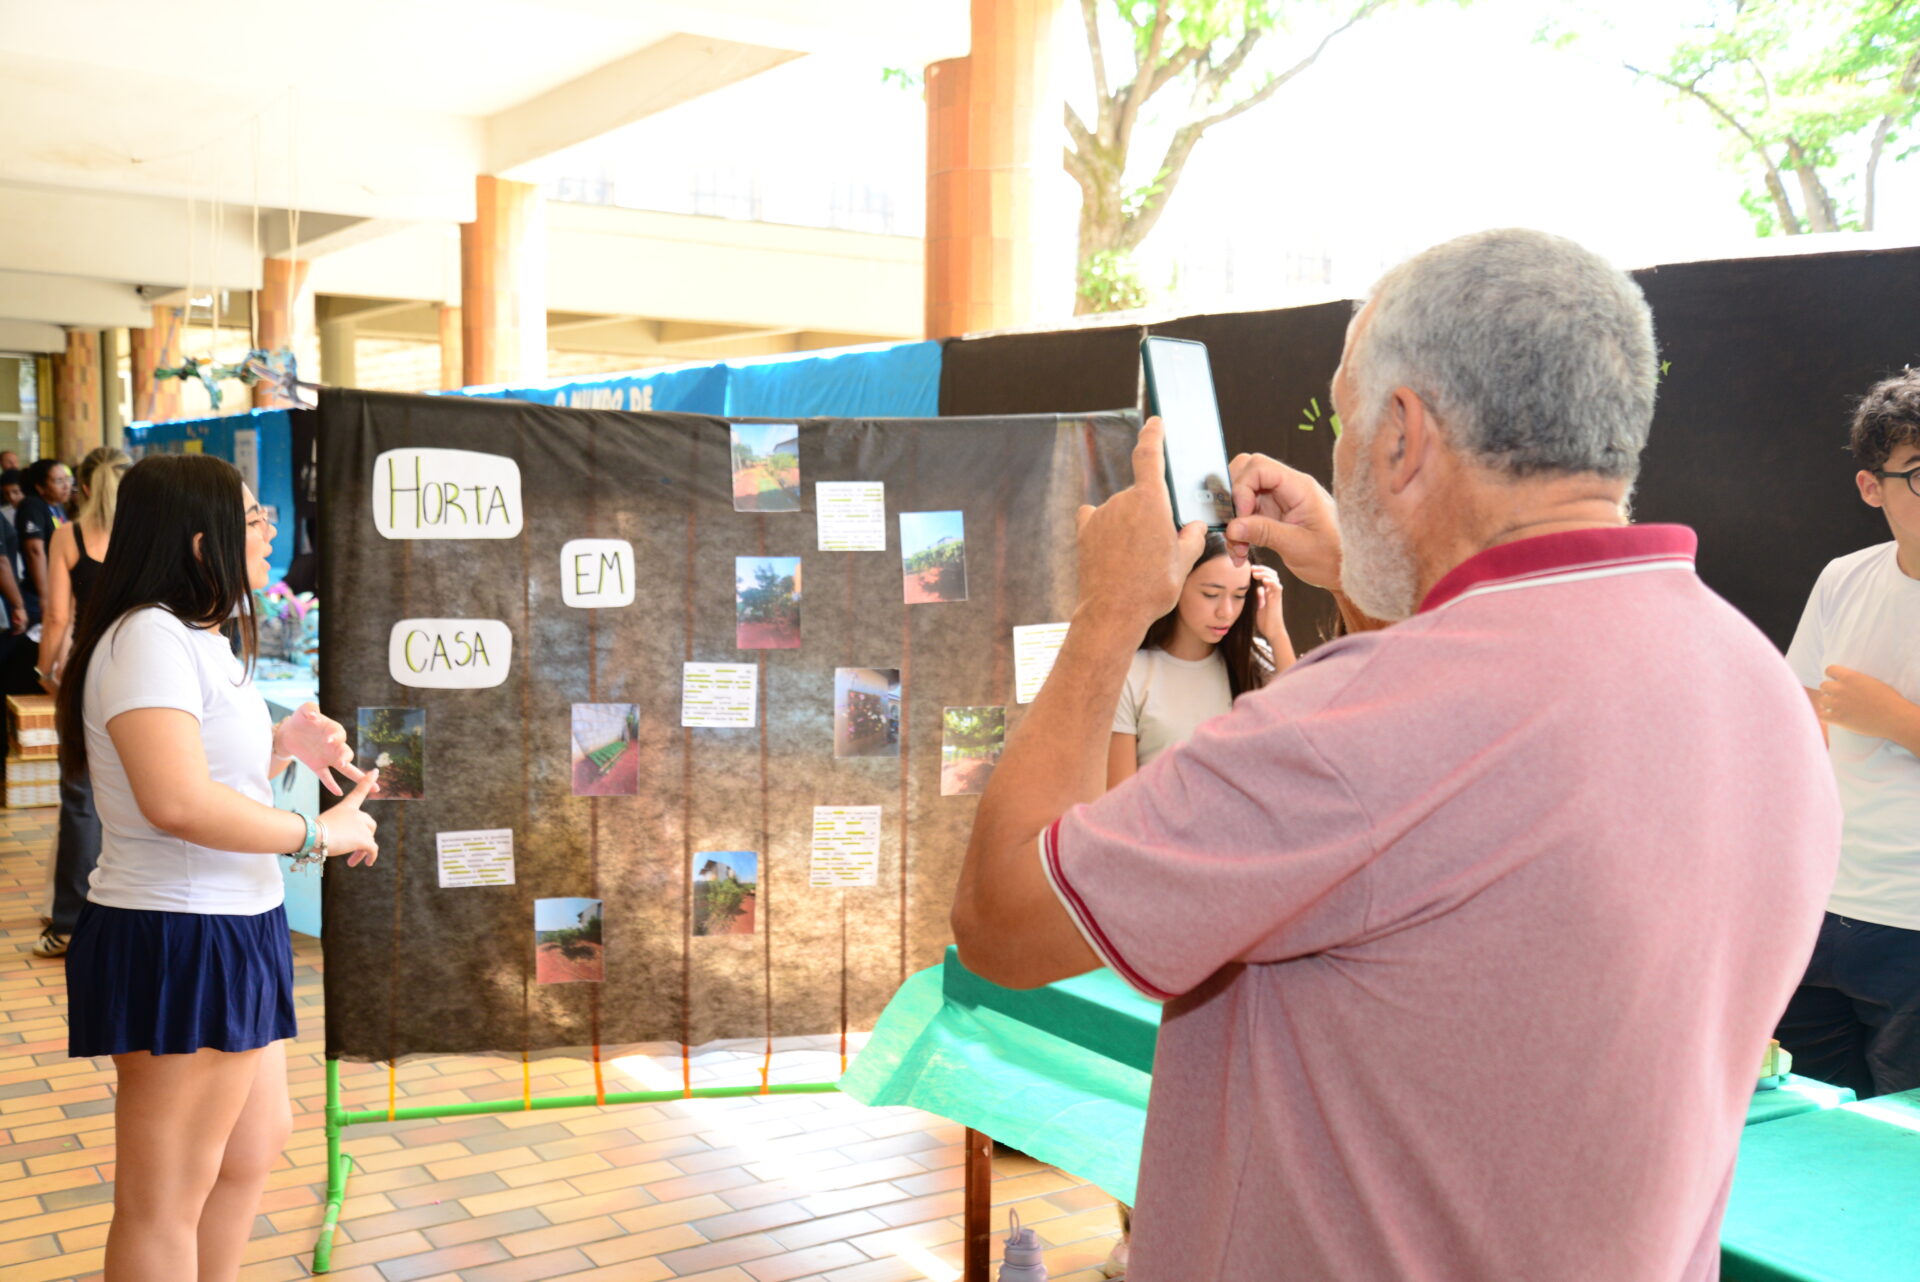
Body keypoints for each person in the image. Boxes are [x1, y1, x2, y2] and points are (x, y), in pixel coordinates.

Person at [951, 228, 1840, 1281]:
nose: (1335, 456)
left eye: (1346, 420)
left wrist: (1108, 612)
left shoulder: (1356, 725)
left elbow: (1003, 921)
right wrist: (1366, 576)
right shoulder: (1759, 684)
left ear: (1403, 435)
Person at [57, 453, 382, 1282]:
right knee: (164, 1197)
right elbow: (175, 802)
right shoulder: (147, 637)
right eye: (255, 517)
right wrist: (316, 833)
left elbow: (202, 775)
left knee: (253, 1145)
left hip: (235, 925)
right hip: (178, 935)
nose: (269, 531)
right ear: (203, 541)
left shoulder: (196, 636)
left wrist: (280, 746)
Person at [1777, 369, 1920, 1099]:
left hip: (1912, 921)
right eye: (1919, 472)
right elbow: (1802, 732)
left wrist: (1894, 719)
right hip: (1822, 909)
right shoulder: (1843, 578)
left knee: (1904, 1146)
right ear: (1873, 488)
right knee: (1810, 1128)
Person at [30, 446, 131, 958]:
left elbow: (56, 619)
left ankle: (70, 922)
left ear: (84, 486)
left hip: (88, 676)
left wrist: (44, 673)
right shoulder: (148, 533)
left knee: (80, 796)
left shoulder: (67, 536)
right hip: (145, 670)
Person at [1109, 533, 1293, 791]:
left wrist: (1277, 634)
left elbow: (1304, 732)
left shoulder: (1255, 660)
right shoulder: (1131, 673)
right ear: (1176, 585)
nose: (1226, 612)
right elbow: (1120, 795)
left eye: (1239, 596)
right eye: (1210, 594)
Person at [18, 456, 74, 616]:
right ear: (40, 487)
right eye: (58, 481)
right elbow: (34, 551)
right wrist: (44, 596)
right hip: (39, 594)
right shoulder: (32, 506)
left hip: (59, 589)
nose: (66, 486)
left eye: (67, 479)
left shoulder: (57, 505)